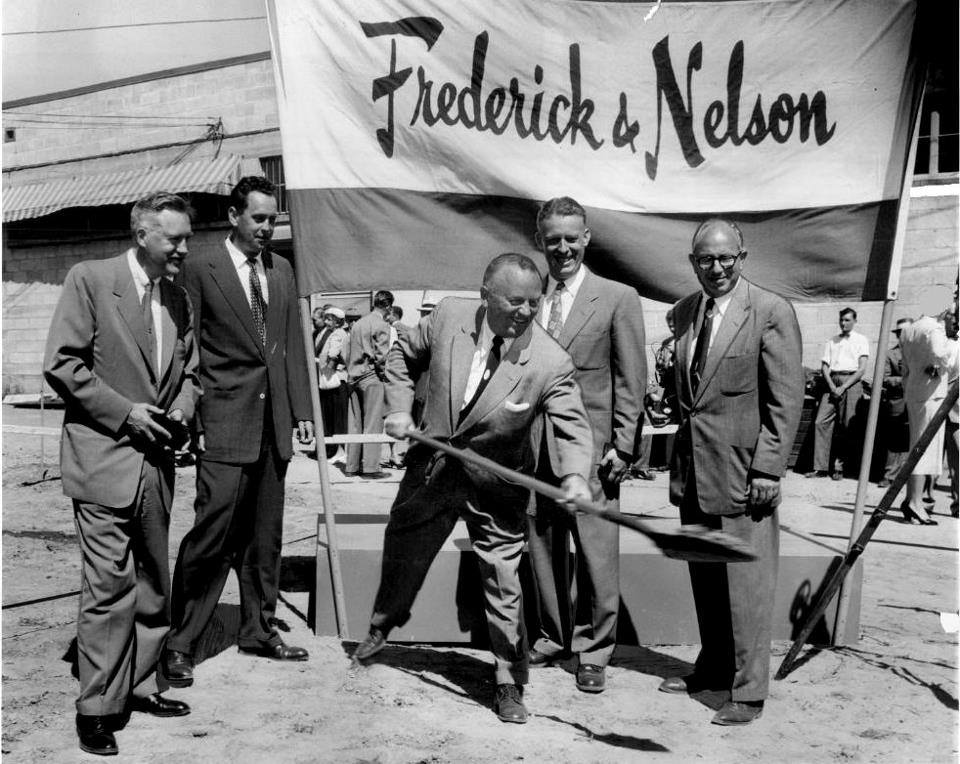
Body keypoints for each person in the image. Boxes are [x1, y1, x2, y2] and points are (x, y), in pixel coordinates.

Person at [350, 253, 594, 725]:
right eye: (514, 302)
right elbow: (400, 353)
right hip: (432, 472)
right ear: (485, 296)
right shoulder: (448, 316)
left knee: (504, 587)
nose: (525, 312)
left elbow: (573, 425)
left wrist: (575, 475)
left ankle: (509, 681)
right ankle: (382, 626)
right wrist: (399, 406)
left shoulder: (549, 360)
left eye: (533, 303)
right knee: (403, 549)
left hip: (495, 487)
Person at [44, 192, 201, 756]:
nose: (185, 248)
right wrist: (125, 412)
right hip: (103, 458)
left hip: (156, 466)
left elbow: (191, 371)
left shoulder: (180, 298)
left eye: (187, 238)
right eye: (175, 239)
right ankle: (97, 707)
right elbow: (63, 362)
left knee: (153, 581)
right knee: (107, 586)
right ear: (142, 235)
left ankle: (136, 683)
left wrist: (181, 406)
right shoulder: (89, 279)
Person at [162, 176, 314, 689]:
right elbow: (189, 349)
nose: (268, 228)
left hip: (274, 425)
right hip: (224, 421)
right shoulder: (202, 268)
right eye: (259, 219)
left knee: (263, 536)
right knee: (214, 532)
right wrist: (197, 420)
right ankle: (180, 640)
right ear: (234, 216)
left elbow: (290, 342)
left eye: (274, 220)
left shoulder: (283, 270)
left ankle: (258, 628)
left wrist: (303, 412)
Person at [659, 219, 803, 726]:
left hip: (746, 477)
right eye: (705, 259)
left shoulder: (770, 311)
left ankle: (748, 690)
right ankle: (713, 667)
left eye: (726, 259)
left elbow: (786, 400)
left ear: (743, 256)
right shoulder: (683, 312)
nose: (716, 268)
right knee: (707, 581)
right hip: (694, 473)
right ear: (692, 260)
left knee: (747, 588)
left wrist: (769, 467)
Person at [526, 197, 646, 694]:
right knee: (543, 548)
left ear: (587, 237)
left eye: (571, 238)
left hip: (594, 455)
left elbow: (631, 379)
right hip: (534, 450)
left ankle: (594, 649)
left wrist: (622, 444)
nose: (563, 248)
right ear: (541, 242)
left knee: (596, 555)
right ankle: (553, 637)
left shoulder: (617, 297)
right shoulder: (530, 298)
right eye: (553, 239)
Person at [898, 305, 959, 524]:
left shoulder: (909, 329)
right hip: (932, 394)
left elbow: (905, 364)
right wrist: (941, 366)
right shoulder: (934, 329)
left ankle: (910, 499)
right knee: (924, 450)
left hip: (914, 391)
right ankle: (915, 503)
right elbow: (942, 356)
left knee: (917, 445)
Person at [807, 307, 869, 479]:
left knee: (847, 425)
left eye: (847, 320)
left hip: (851, 382)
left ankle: (839, 467)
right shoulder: (832, 340)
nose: (843, 323)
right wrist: (832, 386)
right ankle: (820, 467)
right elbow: (825, 367)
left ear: (855, 321)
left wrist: (843, 387)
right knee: (821, 422)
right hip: (832, 382)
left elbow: (862, 369)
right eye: (841, 320)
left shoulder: (861, 340)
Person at [344, 290, 394, 477]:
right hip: (372, 377)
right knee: (373, 423)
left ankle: (351, 467)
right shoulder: (381, 324)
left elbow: (347, 352)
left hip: (354, 376)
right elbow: (382, 357)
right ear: (388, 306)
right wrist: (385, 377)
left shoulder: (358, 324)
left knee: (355, 424)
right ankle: (371, 468)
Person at [878, 318, 913, 487]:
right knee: (894, 441)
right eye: (899, 333)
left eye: (904, 332)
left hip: (916, 401)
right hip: (897, 402)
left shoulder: (919, 351)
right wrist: (905, 380)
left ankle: (907, 477)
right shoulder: (891, 354)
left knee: (912, 439)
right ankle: (889, 475)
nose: (902, 335)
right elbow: (884, 378)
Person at [316, 307, 350, 461]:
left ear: (337, 321)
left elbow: (333, 355)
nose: (327, 322)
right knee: (334, 416)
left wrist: (326, 373)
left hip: (335, 380)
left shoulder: (337, 334)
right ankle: (336, 450)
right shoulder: (337, 332)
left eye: (330, 319)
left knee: (336, 418)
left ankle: (339, 451)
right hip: (336, 379)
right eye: (327, 318)